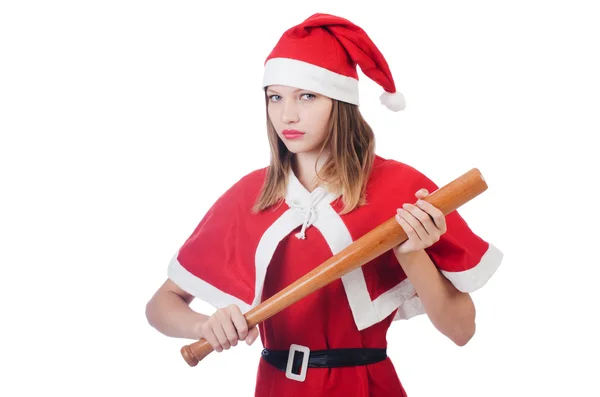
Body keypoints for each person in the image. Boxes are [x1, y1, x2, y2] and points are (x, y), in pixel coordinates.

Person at [145, 12, 503, 397]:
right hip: (276, 388)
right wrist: (203, 326)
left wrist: (413, 253)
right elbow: (161, 305)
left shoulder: (403, 189)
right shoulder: (250, 196)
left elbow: (462, 331)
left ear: (340, 101)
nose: (288, 115)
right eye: (275, 97)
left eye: (307, 96)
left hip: (366, 387)